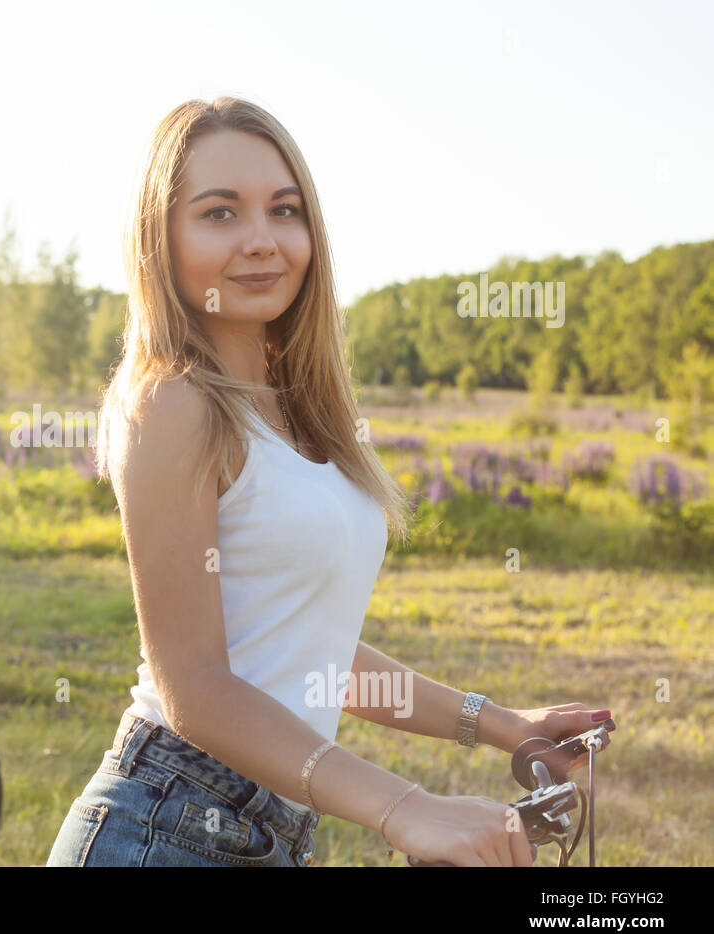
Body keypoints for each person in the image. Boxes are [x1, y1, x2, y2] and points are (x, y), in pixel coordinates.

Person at [45, 97, 611, 867]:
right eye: (219, 214)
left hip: (267, 829)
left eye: (285, 210)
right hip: (166, 824)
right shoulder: (173, 401)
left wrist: (503, 724)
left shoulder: (292, 412)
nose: (262, 242)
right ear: (161, 238)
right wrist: (406, 807)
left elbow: (310, 652)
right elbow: (197, 686)